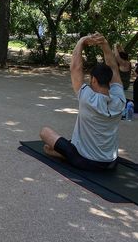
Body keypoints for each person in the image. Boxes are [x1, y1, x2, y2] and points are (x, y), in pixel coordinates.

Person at [39, 33, 125, 171]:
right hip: (110, 163)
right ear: (110, 81)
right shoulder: (120, 99)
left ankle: (66, 154)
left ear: (94, 80)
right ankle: (66, 151)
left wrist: (81, 41)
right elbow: (114, 69)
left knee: (45, 133)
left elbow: (75, 68)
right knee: (54, 146)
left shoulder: (88, 98)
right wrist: (104, 44)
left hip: (85, 161)